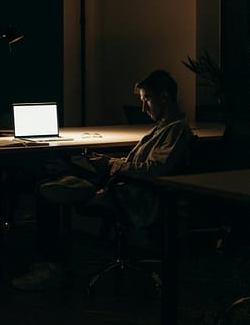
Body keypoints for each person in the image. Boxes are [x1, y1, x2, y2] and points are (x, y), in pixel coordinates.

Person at [11, 69, 195, 291]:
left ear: (164, 97)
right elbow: (142, 165)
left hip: (130, 195)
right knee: (57, 166)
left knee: (46, 190)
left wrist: (111, 164)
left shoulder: (176, 131)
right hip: (122, 184)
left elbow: (153, 170)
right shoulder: (162, 129)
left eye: (147, 99)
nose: (143, 108)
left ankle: (51, 265)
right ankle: (63, 184)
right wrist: (109, 161)